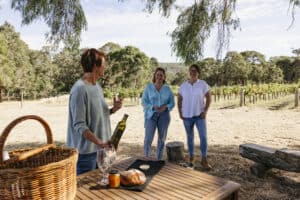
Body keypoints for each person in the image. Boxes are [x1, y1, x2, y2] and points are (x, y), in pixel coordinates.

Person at [67, 48, 122, 175]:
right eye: (103, 64)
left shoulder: (97, 86)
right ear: (94, 66)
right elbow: (79, 125)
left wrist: (113, 109)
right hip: (86, 154)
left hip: (102, 149)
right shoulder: (79, 89)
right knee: (85, 193)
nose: (105, 67)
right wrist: (100, 143)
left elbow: (99, 115)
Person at [177, 64, 212, 169]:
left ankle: (204, 160)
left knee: (203, 137)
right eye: (191, 70)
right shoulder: (183, 86)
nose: (193, 72)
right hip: (187, 116)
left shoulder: (202, 84)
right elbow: (179, 100)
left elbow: (209, 98)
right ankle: (191, 159)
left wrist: (205, 111)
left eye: (195, 71)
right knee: (190, 138)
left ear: (198, 73)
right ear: (189, 72)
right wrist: (180, 113)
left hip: (199, 116)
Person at [142, 67, 175, 160]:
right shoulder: (149, 87)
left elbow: (172, 103)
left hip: (164, 116)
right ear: (155, 76)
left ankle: (158, 159)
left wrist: (166, 107)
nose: (159, 77)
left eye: (161, 75)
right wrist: (152, 107)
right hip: (151, 115)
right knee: (148, 138)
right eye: (157, 75)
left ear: (164, 77)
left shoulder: (167, 89)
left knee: (161, 138)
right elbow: (144, 101)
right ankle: (146, 157)